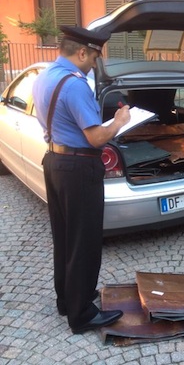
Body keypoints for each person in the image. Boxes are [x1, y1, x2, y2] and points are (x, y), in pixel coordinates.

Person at [32, 26, 131, 334]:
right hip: (78, 168)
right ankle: (83, 315)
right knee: (84, 241)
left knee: (64, 238)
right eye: (94, 57)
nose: (94, 64)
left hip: (55, 162)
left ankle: (68, 300)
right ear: (82, 52)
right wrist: (119, 121)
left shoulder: (45, 76)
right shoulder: (75, 85)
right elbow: (95, 137)